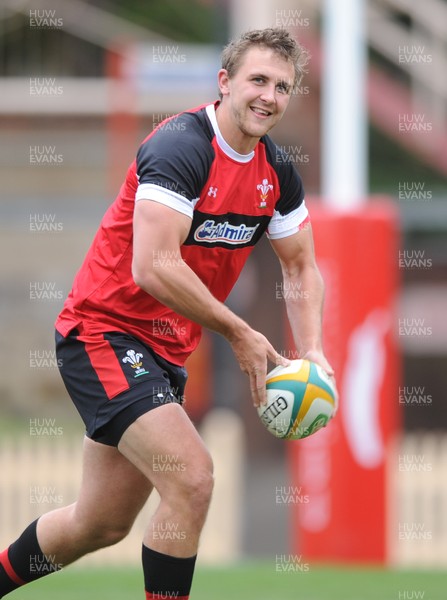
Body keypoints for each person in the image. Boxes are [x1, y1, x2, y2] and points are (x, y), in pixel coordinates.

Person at [0, 27, 334, 599]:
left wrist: (315, 352)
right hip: (102, 332)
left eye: (282, 86)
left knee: (97, 524)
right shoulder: (180, 145)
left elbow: (301, 266)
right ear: (225, 83)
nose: (268, 96)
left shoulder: (276, 170)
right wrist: (241, 333)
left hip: (162, 350)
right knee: (193, 478)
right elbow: (151, 266)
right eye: (257, 79)